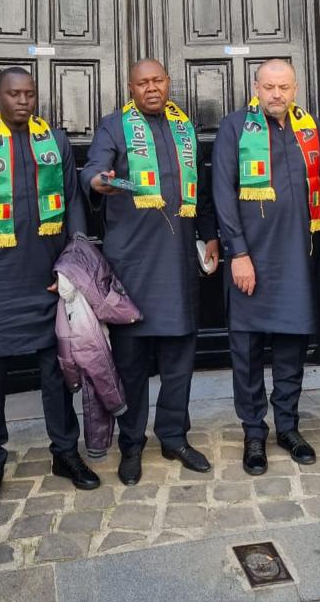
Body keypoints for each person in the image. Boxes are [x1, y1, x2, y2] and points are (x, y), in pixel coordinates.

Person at [0, 66, 100, 516]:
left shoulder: (53, 142)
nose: (23, 101)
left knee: (56, 372)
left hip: (47, 278)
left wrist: (73, 265)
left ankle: (64, 451)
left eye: (30, 94)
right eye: (14, 94)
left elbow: (74, 201)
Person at [80, 59, 219, 486]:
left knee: (179, 360)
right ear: (131, 88)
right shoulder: (113, 127)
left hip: (178, 264)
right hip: (134, 267)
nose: (152, 88)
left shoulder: (185, 129)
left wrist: (211, 237)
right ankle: (132, 443)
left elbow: (204, 194)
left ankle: (174, 436)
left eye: (158, 80)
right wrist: (99, 182)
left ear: (168, 84)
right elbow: (92, 170)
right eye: (143, 83)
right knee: (132, 364)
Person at [212, 59, 320, 475]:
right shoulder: (235, 126)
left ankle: (288, 427)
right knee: (248, 349)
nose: (277, 95)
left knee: (292, 344)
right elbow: (223, 192)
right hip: (250, 258)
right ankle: (254, 431)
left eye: (285, 88)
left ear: (295, 89)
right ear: (255, 87)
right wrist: (237, 253)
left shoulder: (309, 131)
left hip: (297, 256)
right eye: (269, 87)